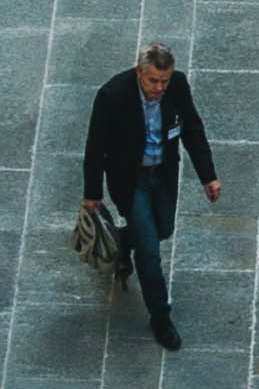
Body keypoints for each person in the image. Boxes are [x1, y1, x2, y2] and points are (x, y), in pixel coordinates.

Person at [81, 40, 218, 349]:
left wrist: (208, 176)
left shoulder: (177, 86)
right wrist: (92, 193)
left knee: (163, 229)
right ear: (139, 72)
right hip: (131, 181)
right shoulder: (112, 95)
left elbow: (192, 130)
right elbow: (95, 147)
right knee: (150, 254)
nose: (159, 88)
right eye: (153, 81)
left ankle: (122, 240)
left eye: (164, 81)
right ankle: (160, 316)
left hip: (163, 175)